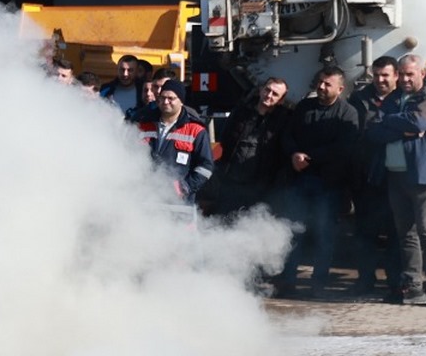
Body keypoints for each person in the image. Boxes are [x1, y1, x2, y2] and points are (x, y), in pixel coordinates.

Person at [365, 54, 426, 307]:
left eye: (410, 73)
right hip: (396, 173)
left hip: (425, 175)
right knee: (406, 235)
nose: (405, 78)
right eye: (401, 74)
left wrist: (394, 122)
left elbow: (420, 120)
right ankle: (412, 286)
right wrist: (403, 125)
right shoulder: (393, 99)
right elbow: (373, 130)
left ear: (421, 73)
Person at [275, 66, 362, 297]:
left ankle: (319, 283)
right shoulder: (304, 107)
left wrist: (309, 158)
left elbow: (344, 148)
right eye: (320, 82)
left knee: (324, 234)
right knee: (294, 231)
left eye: (327, 84)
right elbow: (288, 135)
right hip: (300, 180)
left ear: (340, 89)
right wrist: (294, 154)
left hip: (329, 184)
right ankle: (288, 281)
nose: (321, 87)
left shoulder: (348, 113)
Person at [347, 58, 401, 295]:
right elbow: (359, 131)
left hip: (396, 176)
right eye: (377, 75)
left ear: (396, 76)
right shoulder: (359, 98)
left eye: (385, 75)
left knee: (396, 232)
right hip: (367, 174)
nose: (380, 80)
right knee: (365, 231)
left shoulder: (403, 98)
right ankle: (365, 280)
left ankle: (395, 282)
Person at [203, 77, 289, 218]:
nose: (269, 95)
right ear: (261, 90)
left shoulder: (283, 120)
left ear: (281, 100)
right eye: (267, 90)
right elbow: (225, 138)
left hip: (260, 185)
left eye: (275, 94)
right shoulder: (241, 111)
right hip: (231, 180)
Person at [135, 80, 214, 207]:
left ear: (181, 101)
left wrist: (185, 186)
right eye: (163, 98)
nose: (166, 102)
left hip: (178, 206)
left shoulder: (196, 130)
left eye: (171, 98)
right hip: (145, 202)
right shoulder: (144, 124)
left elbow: (206, 167)